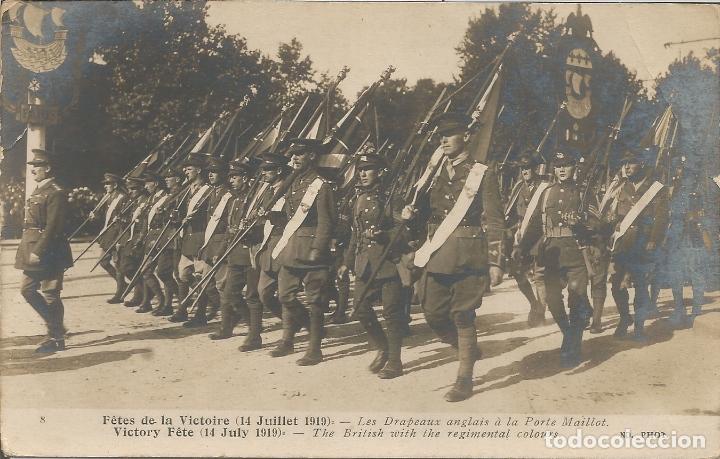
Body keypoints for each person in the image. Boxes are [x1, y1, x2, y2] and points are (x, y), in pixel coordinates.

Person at [402, 112, 505, 402]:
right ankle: (467, 349)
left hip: (467, 254)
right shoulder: (432, 174)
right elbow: (424, 213)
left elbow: (495, 220)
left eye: (450, 134)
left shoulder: (481, 173)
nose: (443, 140)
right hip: (437, 252)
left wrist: (496, 260)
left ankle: (464, 378)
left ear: (466, 137)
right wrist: (410, 216)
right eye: (440, 136)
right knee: (433, 312)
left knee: (462, 314)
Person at [516, 151, 595, 368]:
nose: (561, 169)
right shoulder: (546, 193)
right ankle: (569, 333)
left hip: (575, 253)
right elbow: (533, 223)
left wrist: (581, 223)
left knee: (576, 299)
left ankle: (573, 344)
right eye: (558, 165)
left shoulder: (584, 192)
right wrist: (521, 249)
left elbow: (598, 223)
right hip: (551, 253)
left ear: (573, 168)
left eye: (566, 165)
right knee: (551, 300)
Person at [339, 153, 408, 378]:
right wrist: (346, 262)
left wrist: (383, 236)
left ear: (380, 173)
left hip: (387, 261)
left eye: (369, 169)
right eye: (361, 169)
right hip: (364, 263)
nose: (363, 173)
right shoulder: (357, 198)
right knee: (360, 307)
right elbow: (355, 234)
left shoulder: (390, 197)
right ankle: (382, 347)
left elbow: (404, 230)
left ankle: (395, 362)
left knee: (391, 312)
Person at [270, 138, 336, 365]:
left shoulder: (321, 185)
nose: (294, 158)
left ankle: (314, 348)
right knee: (285, 295)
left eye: (299, 154)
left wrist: (319, 247)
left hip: (311, 248)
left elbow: (327, 221)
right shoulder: (294, 183)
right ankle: (290, 339)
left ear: (311, 156)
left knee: (315, 300)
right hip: (291, 246)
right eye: (292, 155)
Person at [602, 149, 668, 341]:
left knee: (640, 286)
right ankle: (624, 318)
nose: (627, 167)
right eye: (624, 163)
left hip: (642, 243)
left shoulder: (655, 189)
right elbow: (612, 215)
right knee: (616, 286)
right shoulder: (621, 187)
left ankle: (639, 326)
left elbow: (662, 218)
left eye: (631, 163)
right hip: (622, 244)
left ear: (642, 164)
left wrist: (654, 240)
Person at [15, 149, 73, 353]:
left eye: (37, 167)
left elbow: (53, 226)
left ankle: (56, 338)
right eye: (32, 167)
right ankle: (57, 330)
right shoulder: (40, 189)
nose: (32, 171)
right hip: (35, 247)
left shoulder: (55, 191)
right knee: (27, 290)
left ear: (47, 168)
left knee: (50, 294)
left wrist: (39, 250)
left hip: (50, 251)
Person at [251, 152, 296, 349]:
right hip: (269, 245)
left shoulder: (290, 190)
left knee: (285, 293)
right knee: (264, 293)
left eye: (267, 170)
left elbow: (293, 218)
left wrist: (270, 215)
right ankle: (296, 321)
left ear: (278, 171)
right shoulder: (267, 192)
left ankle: (287, 338)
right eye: (262, 170)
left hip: (285, 242)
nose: (263, 173)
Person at [209, 158, 257, 341]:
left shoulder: (253, 198)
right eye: (230, 177)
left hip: (251, 253)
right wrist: (220, 252)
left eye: (235, 177)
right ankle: (239, 326)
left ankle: (251, 330)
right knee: (230, 294)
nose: (231, 180)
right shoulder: (234, 200)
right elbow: (230, 230)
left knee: (254, 296)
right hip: (235, 255)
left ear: (245, 178)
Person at [185, 157, 231, 327]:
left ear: (224, 174)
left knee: (220, 285)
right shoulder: (212, 192)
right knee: (206, 282)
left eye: (216, 172)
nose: (211, 175)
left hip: (221, 242)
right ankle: (204, 314)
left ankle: (234, 317)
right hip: (209, 242)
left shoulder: (228, 194)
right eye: (210, 172)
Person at [504, 152, 547, 327]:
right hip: (521, 236)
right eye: (522, 168)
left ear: (535, 168)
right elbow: (512, 214)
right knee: (517, 272)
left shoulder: (544, 187)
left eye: (527, 168)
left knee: (540, 276)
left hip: (540, 236)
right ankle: (534, 304)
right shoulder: (518, 188)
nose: (525, 171)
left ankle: (540, 313)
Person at [170, 154, 211, 323]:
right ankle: (182, 309)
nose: (185, 172)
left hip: (201, 238)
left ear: (199, 170)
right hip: (187, 238)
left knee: (201, 276)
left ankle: (200, 314)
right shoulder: (187, 190)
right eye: (185, 169)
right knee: (182, 274)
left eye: (189, 169)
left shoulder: (208, 190)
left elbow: (210, 215)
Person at [145, 168, 185, 316]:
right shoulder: (169, 195)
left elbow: (179, 215)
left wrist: (168, 215)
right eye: (166, 177)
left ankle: (181, 305)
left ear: (178, 179)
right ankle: (173, 304)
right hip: (164, 238)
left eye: (171, 177)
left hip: (174, 238)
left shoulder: (181, 194)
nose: (167, 179)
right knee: (165, 272)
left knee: (174, 273)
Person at [91, 173, 128, 304]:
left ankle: (120, 292)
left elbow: (125, 220)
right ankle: (123, 284)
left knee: (118, 264)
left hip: (117, 235)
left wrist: (120, 238)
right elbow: (105, 218)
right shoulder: (108, 197)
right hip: (108, 234)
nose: (106, 186)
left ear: (115, 185)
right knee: (103, 262)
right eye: (105, 184)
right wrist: (95, 216)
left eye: (108, 184)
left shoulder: (123, 198)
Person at [135, 172, 167, 313]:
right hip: (150, 238)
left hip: (160, 238)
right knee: (146, 271)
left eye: (148, 183)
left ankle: (165, 302)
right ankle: (157, 300)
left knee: (163, 272)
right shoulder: (151, 198)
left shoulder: (165, 197)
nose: (146, 186)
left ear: (156, 183)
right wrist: (141, 238)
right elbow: (145, 220)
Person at [117, 177, 149, 308]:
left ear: (141, 188)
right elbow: (131, 221)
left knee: (137, 268)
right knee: (126, 267)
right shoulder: (134, 202)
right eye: (129, 189)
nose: (131, 191)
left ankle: (145, 298)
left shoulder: (146, 201)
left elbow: (144, 223)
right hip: (131, 237)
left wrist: (140, 239)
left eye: (134, 188)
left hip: (140, 238)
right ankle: (142, 293)